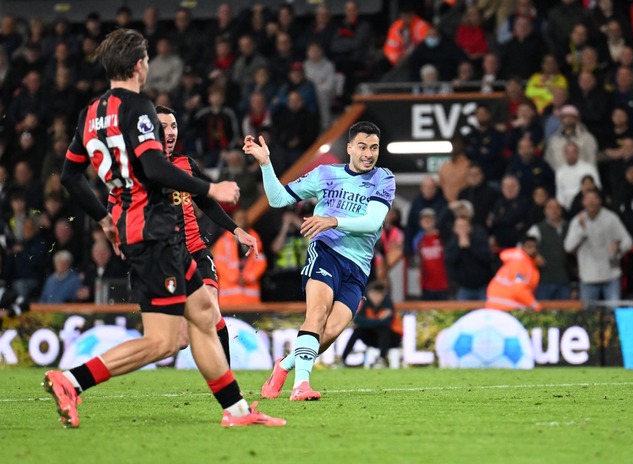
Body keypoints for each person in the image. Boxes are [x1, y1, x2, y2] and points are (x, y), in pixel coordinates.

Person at [46, 29, 284, 428]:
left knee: (205, 313)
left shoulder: (90, 112)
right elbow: (156, 167)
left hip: (144, 230)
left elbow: (70, 176)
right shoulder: (139, 107)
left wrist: (105, 219)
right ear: (140, 65)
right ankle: (71, 380)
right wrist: (214, 187)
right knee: (164, 341)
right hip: (151, 233)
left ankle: (237, 411)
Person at [243, 120, 395, 401]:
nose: (368, 154)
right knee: (317, 314)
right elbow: (277, 199)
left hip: (358, 266)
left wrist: (332, 220)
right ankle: (302, 385)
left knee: (332, 330)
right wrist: (266, 164)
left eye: (373, 148)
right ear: (349, 147)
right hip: (326, 251)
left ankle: (285, 365)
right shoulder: (325, 174)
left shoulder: (383, 178)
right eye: (362, 146)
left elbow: (372, 223)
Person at [155, 105, 259, 366]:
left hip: (196, 251)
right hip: (166, 260)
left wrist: (237, 231)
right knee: (178, 342)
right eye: (163, 126)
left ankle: (229, 387)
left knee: (212, 310)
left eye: (174, 126)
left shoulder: (186, 164)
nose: (170, 132)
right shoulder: (141, 171)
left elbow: (207, 202)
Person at [564, 188, 633, 303]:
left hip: (611, 275)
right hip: (588, 277)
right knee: (588, 316)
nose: (591, 202)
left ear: (599, 201)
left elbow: (628, 241)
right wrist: (582, 231)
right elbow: (568, 247)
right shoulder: (578, 221)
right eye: (588, 199)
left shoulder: (611, 218)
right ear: (583, 202)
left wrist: (619, 248)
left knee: (614, 314)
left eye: (594, 199)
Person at [340, 280, 403, 368]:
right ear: (369, 294)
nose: (377, 297)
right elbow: (357, 320)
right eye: (374, 294)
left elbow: (386, 323)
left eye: (379, 294)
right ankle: (342, 360)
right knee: (358, 330)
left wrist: (368, 322)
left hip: (393, 339)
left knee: (384, 329)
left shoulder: (388, 303)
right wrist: (378, 320)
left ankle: (381, 360)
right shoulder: (366, 304)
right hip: (375, 338)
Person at [485, 236, 542, 311]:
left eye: (534, 247)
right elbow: (518, 289)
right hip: (504, 306)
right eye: (529, 246)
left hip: (500, 305)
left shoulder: (526, 263)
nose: (533, 250)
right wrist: (535, 305)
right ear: (522, 247)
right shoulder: (520, 263)